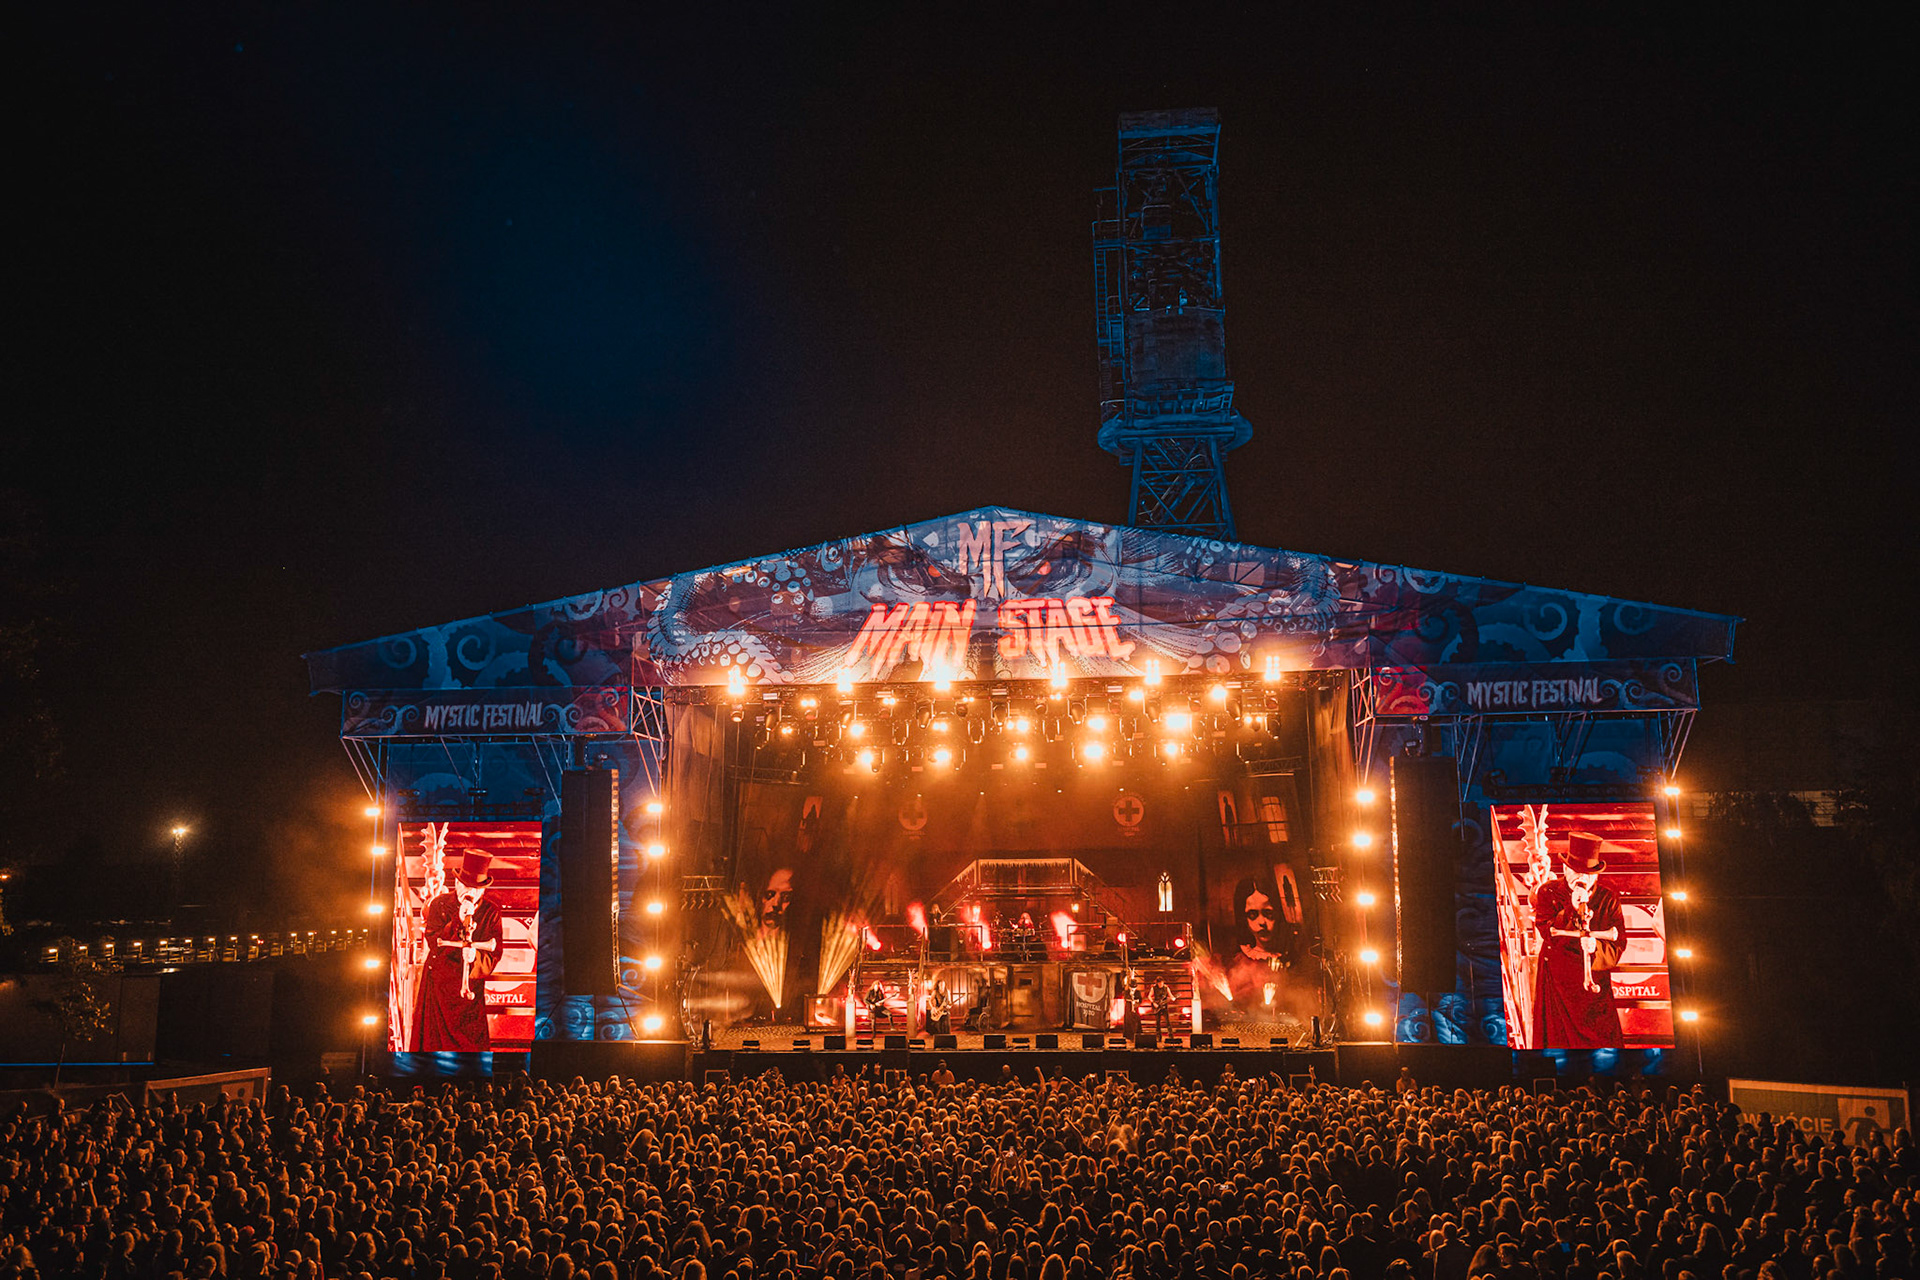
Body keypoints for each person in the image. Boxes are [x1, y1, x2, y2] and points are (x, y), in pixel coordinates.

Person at [1530, 831, 1626, 1048]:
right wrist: (1571, 909)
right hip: (1558, 983)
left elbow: (1618, 942)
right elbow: (1548, 931)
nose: (1582, 878)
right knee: (1558, 1042)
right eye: (1576, 872)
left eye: (1589, 873)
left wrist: (1597, 948)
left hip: (1593, 986)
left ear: (1597, 875)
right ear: (1565, 869)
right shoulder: (1548, 892)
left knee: (1601, 1045)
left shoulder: (1607, 898)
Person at [413, 848, 501, 1052]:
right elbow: (434, 941)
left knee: (469, 1046)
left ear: (484, 889)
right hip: (439, 988)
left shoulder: (491, 912)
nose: (471, 893)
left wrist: (476, 957)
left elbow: (494, 952)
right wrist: (457, 921)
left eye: (477, 888)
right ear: (457, 883)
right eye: (467, 886)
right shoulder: (439, 904)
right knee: (434, 1045)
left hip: (468, 992)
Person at [1224, 873, 1296, 1009]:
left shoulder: (1291, 959)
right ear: (1243, 918)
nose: (1262, 922)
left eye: (1268, 914)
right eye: (1253, 915)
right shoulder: (1237, 962)